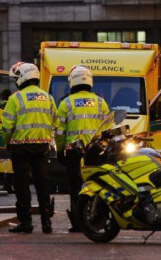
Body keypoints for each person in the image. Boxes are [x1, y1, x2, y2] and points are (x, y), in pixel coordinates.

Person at [2, 62, 58, 234]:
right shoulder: (48, 97)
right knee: (42, 182)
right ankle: (46, 221)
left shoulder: (15, 98)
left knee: (22, 185)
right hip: (42, 146)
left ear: (23, 77)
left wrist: (8, 142)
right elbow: (55, 122)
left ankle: (26, 222)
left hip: (20, 147)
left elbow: (6, 126)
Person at [55, 65, 109, 233]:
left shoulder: (66, 103)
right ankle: (98, 219)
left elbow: (59, 132)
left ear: (72, 82)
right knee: (99, 185)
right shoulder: (100, 102)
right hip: (96, 152)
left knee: (75, 187)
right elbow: (109, 127)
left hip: (74, 153)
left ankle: (78, 223)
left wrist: (60, 150)